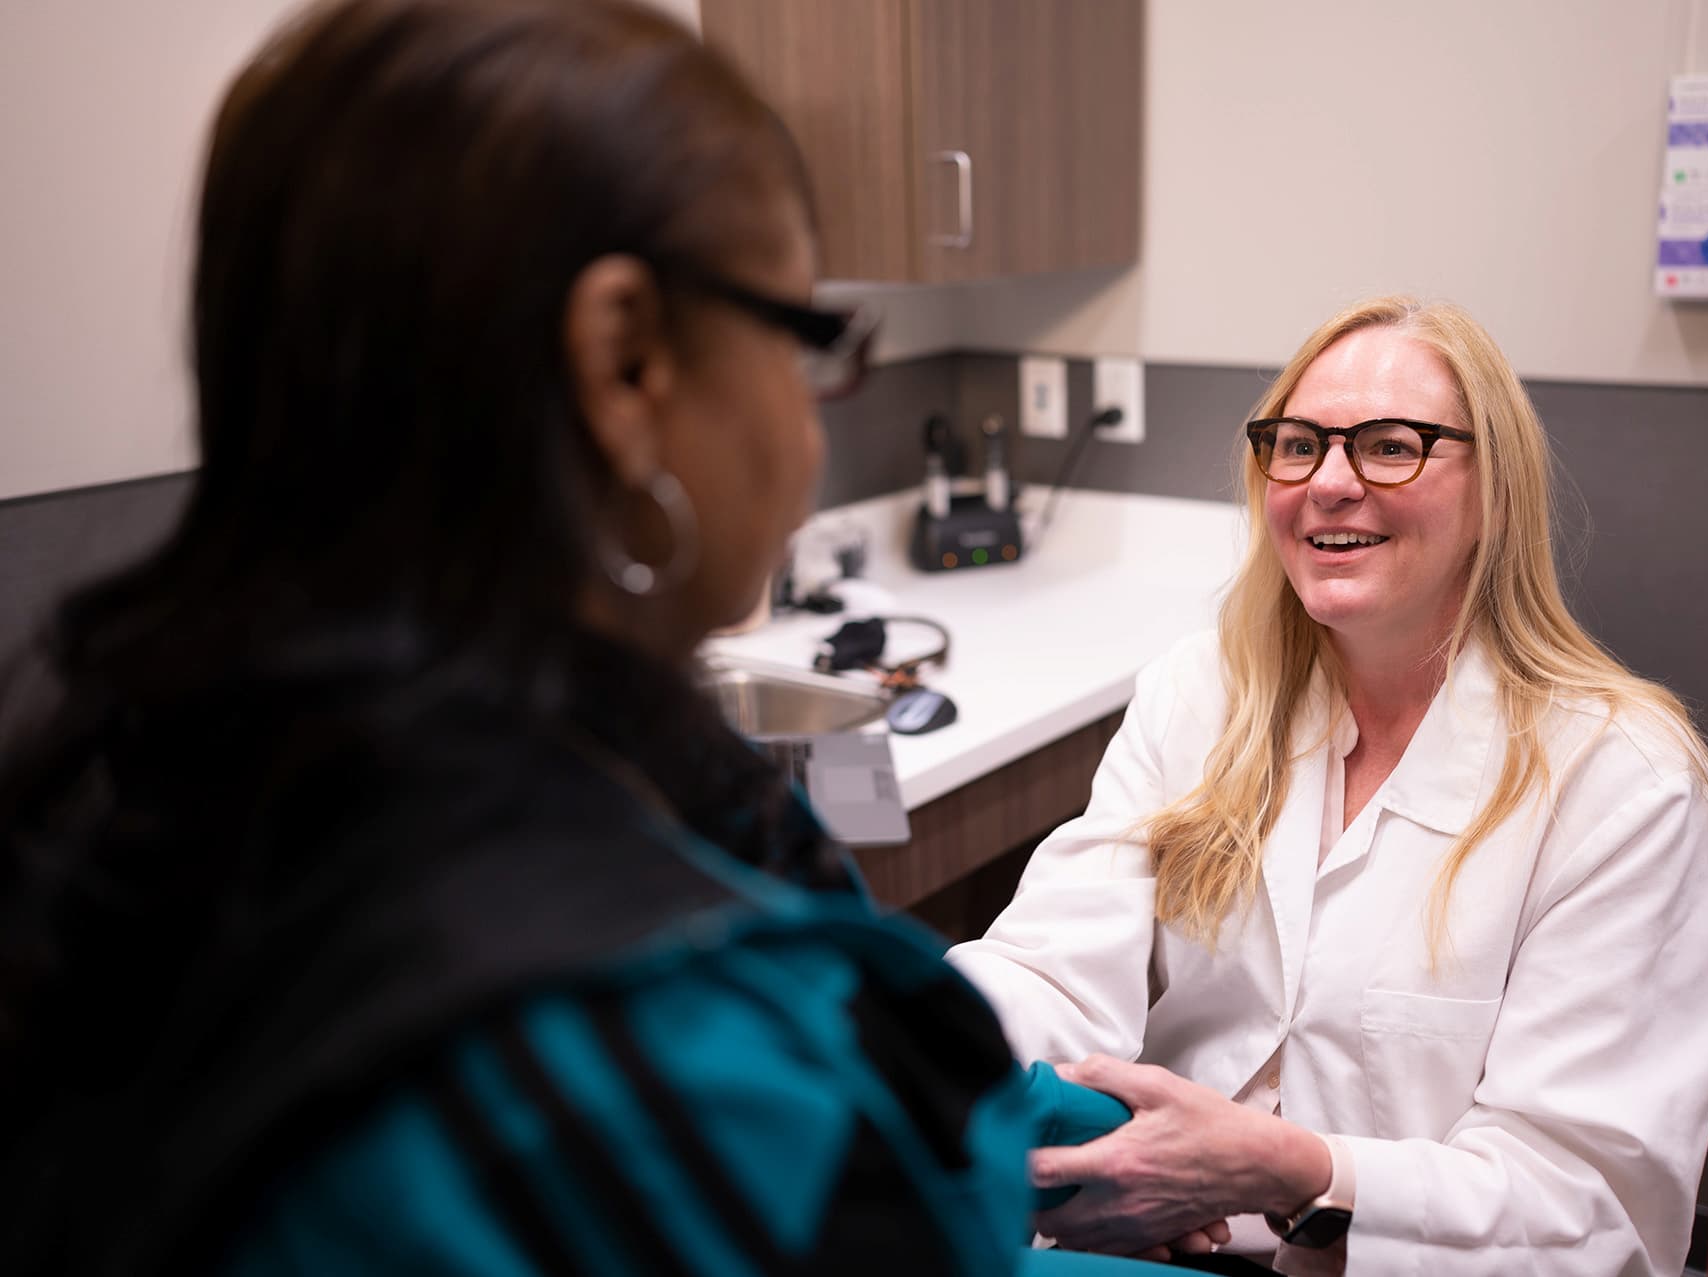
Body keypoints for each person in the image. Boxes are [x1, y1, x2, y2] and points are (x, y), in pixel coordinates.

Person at [0, 2, 1152, 1272]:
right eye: (809, 339)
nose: (815, 425)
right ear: (623, 362)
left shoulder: (119, 784)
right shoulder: (669, 1058)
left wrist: (1057, 1117)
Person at [948, 296, 1708, 1275]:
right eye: (1297, 444)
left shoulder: (1628, 789)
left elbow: (1586, 1211)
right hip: (1159, 1235)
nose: (1329, 481)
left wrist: (1288, 1170)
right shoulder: (1202, 693)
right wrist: (899, 1030)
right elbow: (1054, 964)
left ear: (1492, 491)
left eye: (1390, 445)